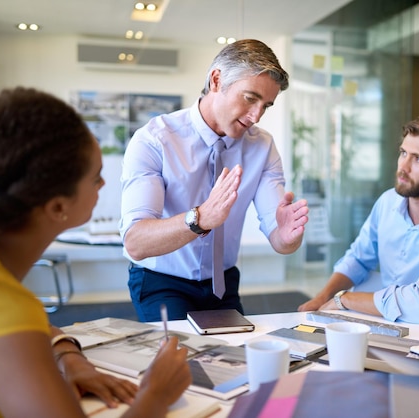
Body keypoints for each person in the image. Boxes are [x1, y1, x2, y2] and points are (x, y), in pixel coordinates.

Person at [0, 87, 191, 417]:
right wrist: (156, 393)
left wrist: (69, 354)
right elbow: (11, 320)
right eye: (95, 178)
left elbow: (30, 329)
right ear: (57, 206)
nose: (103, 186)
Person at [120, 39, 309, 321]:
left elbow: (281, 241)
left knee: (239, 361)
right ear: (217, 80)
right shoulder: (154, 140)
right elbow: (135, 242)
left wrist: (286, 238)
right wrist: (201, 218)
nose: (256, 116)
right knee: (182, 361)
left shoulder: (262, 147)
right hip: (162, 281)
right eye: (250, 98)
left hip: (223, 284)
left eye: (266, 106)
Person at [298, 116, 419, 324]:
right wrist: (323, 297)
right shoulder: (388, 201)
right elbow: (358, 258)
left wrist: (345, 299)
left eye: (418, 159)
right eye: (403, 153)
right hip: (376, 322)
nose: (404, 166)